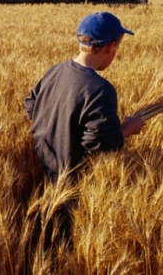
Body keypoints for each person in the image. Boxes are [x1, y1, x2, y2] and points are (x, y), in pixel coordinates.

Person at [24, 11, 145, 182]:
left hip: (45, 170)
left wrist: (56, 128)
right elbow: (102, 147)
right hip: (75, 184)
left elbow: (31, 105)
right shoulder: (100, 90)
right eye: (117, 48)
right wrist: (129, 128)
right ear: (110, 47)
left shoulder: (54, 71)